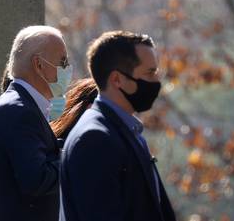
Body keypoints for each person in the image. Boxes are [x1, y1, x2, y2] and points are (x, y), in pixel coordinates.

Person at [60, 31, 176, 221]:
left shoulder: (124, 130)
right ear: (117, 79)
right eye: (150, 73)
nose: (156, 81)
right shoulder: (94, 139)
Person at [0, 25, 72, 221]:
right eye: (62, 62)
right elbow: (38, 179)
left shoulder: (21, 107)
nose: (67, 69)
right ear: (39, 65)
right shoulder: (18, 111)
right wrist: (76, 157)